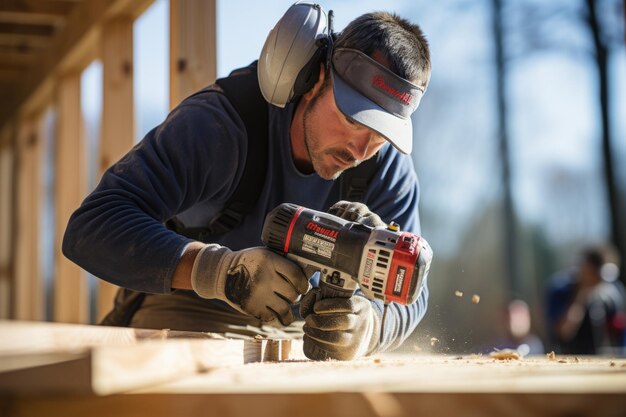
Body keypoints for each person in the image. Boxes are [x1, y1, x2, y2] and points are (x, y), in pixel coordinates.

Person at [62, 3, 432, 361]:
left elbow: (412, 290)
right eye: (355, 119)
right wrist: (216, 271)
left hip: (298, 335)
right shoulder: (219, 126)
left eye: (381, 134)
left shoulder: (386, 169)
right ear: (316, 77)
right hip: (189, 316)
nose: (361, 149)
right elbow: (91, 227)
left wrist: (368, 328)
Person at [545, 245, 626, 355]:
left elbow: (620, 335)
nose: (598, 282)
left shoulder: (612, 294)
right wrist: (582, 296)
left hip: (601, 361)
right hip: (565, 360)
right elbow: (563, 333)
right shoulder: (559, 289)